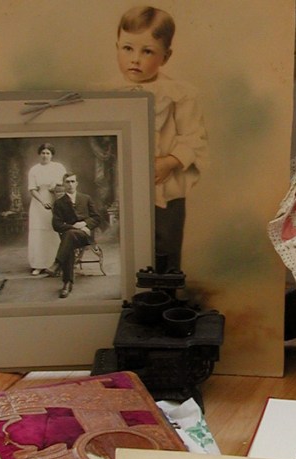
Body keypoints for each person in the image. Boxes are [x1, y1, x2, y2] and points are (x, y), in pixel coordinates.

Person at [115, 5, 209, 272]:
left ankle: (165, 293)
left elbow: (195, 138)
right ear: (117, 47)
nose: (135, 59)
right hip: (125, 186)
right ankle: (132, 292)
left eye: (147, 51)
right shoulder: (110, 93)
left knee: (165, 246)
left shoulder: (179, 94)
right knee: (128, 244)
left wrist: (170, 161)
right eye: (128, 48)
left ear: (165, 56)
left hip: (166, 190)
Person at [48, 173, 102, 298]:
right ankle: (67, 283)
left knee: (68, 238)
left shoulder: (86, 198)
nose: (70, 184)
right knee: (69, 238)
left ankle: (58, 265)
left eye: (72, 181)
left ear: (77, 183)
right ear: (64, 184)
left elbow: (97, 218)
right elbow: (56, 225)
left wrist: (84, 224)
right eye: (67, 182)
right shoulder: (59, 203)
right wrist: (74, 227)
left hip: (85, 235)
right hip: (70, 236)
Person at [27, 142, 67, 275]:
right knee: (39, 232)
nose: (45, 155)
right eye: (43, 153)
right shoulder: (34, 169)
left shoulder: (58, 167)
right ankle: (38, 265)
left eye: (48, 153)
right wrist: (43, 201)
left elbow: (66, 183)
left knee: (53, 231)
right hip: (39, 202)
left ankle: (55, 263)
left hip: (56, 200)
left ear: (52, 155)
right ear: (39, 154)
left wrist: (56, 184)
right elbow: (32, 189)